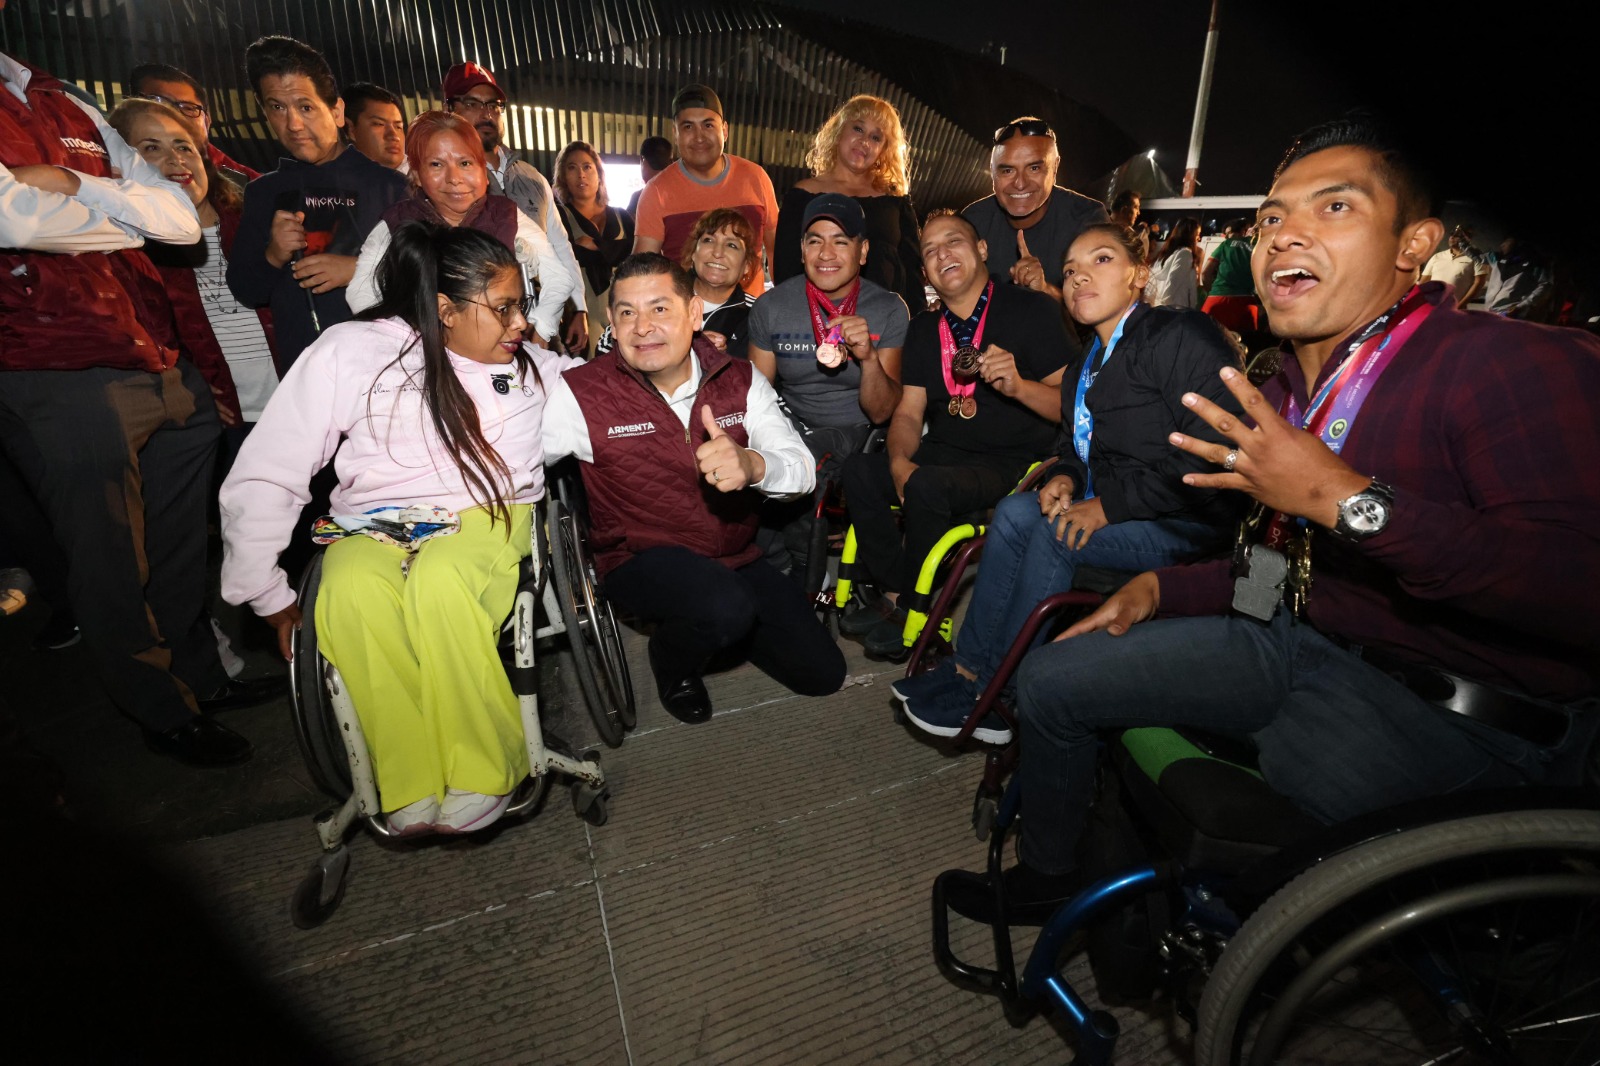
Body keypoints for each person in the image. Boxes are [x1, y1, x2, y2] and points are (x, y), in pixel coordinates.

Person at [941, 116, 1600, 922]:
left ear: (1413, 242)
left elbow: (1576, 593)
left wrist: (1344, 500)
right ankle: (1051, 875)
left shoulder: (1510, 364)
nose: (1286, 235)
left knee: (1227, 830)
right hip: (1292, 635)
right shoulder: (1285, 388)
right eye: (1273, 217)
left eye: (1334, 209)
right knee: (1053, 677)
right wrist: (1161, 591)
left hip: (1452, 712)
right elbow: (1275, 558)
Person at [221, 222, 578, 834]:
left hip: (485, 516)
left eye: (522, 302)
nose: (522, 322)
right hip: (374, 522)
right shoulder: (350, 351)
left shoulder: (532, 367)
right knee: (349, 596)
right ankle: (408, 775)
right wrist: (262, 586)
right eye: (505, 308)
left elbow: (618, 395)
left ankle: (485, 767)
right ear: (444, 309)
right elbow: (271, 464)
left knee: (441, 587)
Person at [1, 32, 263, 766]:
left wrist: (72, 185)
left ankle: (203, 681)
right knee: (111, 556)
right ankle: (158, 710)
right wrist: (127, 214)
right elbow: (11, 219)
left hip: (157, 354)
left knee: (180, 547)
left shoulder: (65, 101)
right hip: (56, 364)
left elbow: (177, 219)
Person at [892, 223, 1243, 737]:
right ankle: (967, 668)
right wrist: (1063, 477)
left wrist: (1106, 507)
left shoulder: (1180, 336)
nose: (1080, 278)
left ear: (1138, 274)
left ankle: (996, 694)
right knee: (1016, 511)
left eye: (1100, 261)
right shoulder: (1087, 362)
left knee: (1057, 537)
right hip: (1119, 505)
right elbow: (1074, 447)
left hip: (1187, 524)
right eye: (1072, 270)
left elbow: (1216, 456)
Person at [542, 254, 845, 723]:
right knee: (724, 607)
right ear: (613, 324)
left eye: (660, 308)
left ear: (694, 313)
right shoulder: (579, 394)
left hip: (733, 556)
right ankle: (672, 659)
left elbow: (801, 469)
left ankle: (726, 625)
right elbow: (512, 469)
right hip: (637, 558)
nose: (642, 327)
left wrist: (753, 463)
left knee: (821, 674)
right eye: (626, 312)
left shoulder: (741, 380)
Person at [842, 210, 1071, 659]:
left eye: (953, 242)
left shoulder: (1032, 309)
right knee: (859, 471)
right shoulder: (925, 329)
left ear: (983, 250)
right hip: (943, 451)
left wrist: (1021, 387)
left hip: (1012, 461)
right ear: (925, 271)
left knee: (928, 484)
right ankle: (898, 591)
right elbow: (908, 413)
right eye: (930, 251)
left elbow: (1071, 406)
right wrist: (898, 463)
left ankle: (923, 614)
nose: (942, 254)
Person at [226, 35, 407, 369]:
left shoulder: (391, 187)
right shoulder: (264, 193)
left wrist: (358, 269)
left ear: (336, 112)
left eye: (305, 107)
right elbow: (246, 291)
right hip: (305, 377)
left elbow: (427, 277)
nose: (293, 124)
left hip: (388, 370)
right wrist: (273, 254)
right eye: (277, 108)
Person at [107, 98, 279, 448]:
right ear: (123, 165)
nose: (176, 159)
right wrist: (188, 388)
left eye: (183, 145)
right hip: (225, 425)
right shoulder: (128, 252)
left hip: (302, 410)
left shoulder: (258, 222)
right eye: (151, 147)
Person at [347, 111, 575, 348]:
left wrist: (541, 327)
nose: (454, 178)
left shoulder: (504, 215)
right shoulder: (400, 221)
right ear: (415, 174)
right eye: (436, 164)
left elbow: (558, 277)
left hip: (496, 358)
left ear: (483, 173)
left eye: (465, 163)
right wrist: (411, 345)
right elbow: (361, 294)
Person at [747, 193, 909, 485]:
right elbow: (755, 396)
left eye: (841, 241)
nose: (825, 253)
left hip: (857, 432)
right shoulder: (770, 306)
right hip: (790, 426)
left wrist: (869, 358)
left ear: (863, 251)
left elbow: (882, 412)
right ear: (801, 250)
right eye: (814, 241)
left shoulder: (889, 309)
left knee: (801, 462)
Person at [442, 61, 588, 352]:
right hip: (479, 333)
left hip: (540, 326)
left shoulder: (532, 177)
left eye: (494, 105)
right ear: (449, 109)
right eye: (472, 103)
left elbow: (560, 247)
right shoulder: (444, 180)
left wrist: (580, 308)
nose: (486, 114)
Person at [772, 94, 924, 310]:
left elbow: (912, 275)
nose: (864, 142)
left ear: (883, 150)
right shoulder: (802, 196)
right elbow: (786, 271)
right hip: (813, 323)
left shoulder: (895, 203)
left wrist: (915, 327)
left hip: (883, 325)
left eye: (876, 137)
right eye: (858, 129)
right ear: (839, 131)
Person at [632, 83, 779, 298]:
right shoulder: (657, 191)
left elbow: (776, 249)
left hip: (749, 317)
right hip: (686, 321)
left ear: (725, 130)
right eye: (688, 127)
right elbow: (642, 270)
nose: (699, 137)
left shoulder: (756, 178)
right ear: (675, 133)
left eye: (708, 125)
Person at [963, 116, 1107, 316]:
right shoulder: (973, 221)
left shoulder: (1086, 219)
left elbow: (1104, 308)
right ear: (992, 173)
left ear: (1055, 167)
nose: (1020, 183)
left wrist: (1044, 291)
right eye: (1007, 170)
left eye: (1034, 168)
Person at [594, 207, 759, 360]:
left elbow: (761, 382)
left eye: (732, 245)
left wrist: (721, 361)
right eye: (708, 240)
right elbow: (604, 348)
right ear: (693, 253)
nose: (717, 253)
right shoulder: (659, 293)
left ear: (747, 265)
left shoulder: (758, 314)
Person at [552, 139, 634, 353]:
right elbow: (565, 259)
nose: (581, 174)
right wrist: (616, 250)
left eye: (587, 167)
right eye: (572, 168)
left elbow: (637, 252)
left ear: (599, 174)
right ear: (563, 177)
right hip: (582, 313)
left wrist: (596, 246)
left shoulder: (622, 215)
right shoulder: (559, 217)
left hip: (627, 309)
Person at [127, 61, 259, 183]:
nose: (175, 118)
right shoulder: (113, 181)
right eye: (159, 105)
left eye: (188, 108)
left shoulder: (254, 187)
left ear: (206, 122)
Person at [1199, 218, 1258, 333]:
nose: (1226, 237)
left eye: (1227, 234)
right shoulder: (1256, 245)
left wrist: (1210, 291)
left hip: (1219, 298)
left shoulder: (1225, 244)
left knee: (1206, 337)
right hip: (1246, 302)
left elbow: (1205, 273)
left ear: (1242, 231)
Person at [1481, 236, 1552, 319]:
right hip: (1489, 311)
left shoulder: (1535, 265)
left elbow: (1545, 286)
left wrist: (1521, 306)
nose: (1502, 245)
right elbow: (1476, 256)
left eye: (1507, 241)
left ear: (1519, 244)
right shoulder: (1498, 260)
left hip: (1510, 315)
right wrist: (1463, 240)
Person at [341, 81, 406, 171]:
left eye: (398, 127)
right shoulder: (334, 180)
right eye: (379, 124)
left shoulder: (425, 179)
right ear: (351, 129)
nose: (394, 136)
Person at [1418, 225, 1487, 309]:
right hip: (1431, 307)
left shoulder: (1476, 258)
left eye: (1457, 235)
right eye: (1451, 234)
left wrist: (1460, 305)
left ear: (1467, 239)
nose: (1452, 237)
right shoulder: (1437, 256)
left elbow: (1479, 283)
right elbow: (1424, 282)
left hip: (1455, 308)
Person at [1145, 216, 1202, 308]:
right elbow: (1173, 281)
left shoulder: (1165, 254)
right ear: (1190, 235)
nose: (1198, 238)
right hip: (1176, 308)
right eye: (1197, 234)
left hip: (1157, 305)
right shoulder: (1185, 254)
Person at [625, 134, 673, 217]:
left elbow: (628, 228)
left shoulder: (639, 198)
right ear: (671, 162)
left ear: (642, 159)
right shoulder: (682, 194)